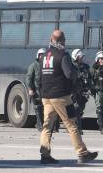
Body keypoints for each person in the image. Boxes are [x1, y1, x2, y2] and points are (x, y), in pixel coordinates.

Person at [38, 30, 98, 164]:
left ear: (51, 39)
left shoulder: (44, 56)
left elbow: (40, 77)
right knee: (71, 124)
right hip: (61, 96)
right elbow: (70, 74)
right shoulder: (63, 55)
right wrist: (76, 75)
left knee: (47, 126)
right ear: (63, 41)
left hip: (46, 96)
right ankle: (82, 153)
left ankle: (45, 154)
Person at [70, 49, 92, 134]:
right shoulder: (71, 66)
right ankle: (77, 128)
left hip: (83, 92)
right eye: (80, 57)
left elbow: (89, 78)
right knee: (76, 109)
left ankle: (74, 126)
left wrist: (90, 88)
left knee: (80, 110)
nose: (81, 58)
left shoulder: (85, 67)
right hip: (74, 91)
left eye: (82, 57)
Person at [26, 48, 47, 130]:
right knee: (38, 108)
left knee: (46, 108)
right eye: (41, 55)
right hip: (37, 91)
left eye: (44, 55)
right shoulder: (33, 66)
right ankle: (40, 125)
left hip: (46, 90)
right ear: (38, 56)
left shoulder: (47, 66)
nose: (42, 57)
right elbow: (29, 78)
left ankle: (44, 124)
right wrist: (30, 89)